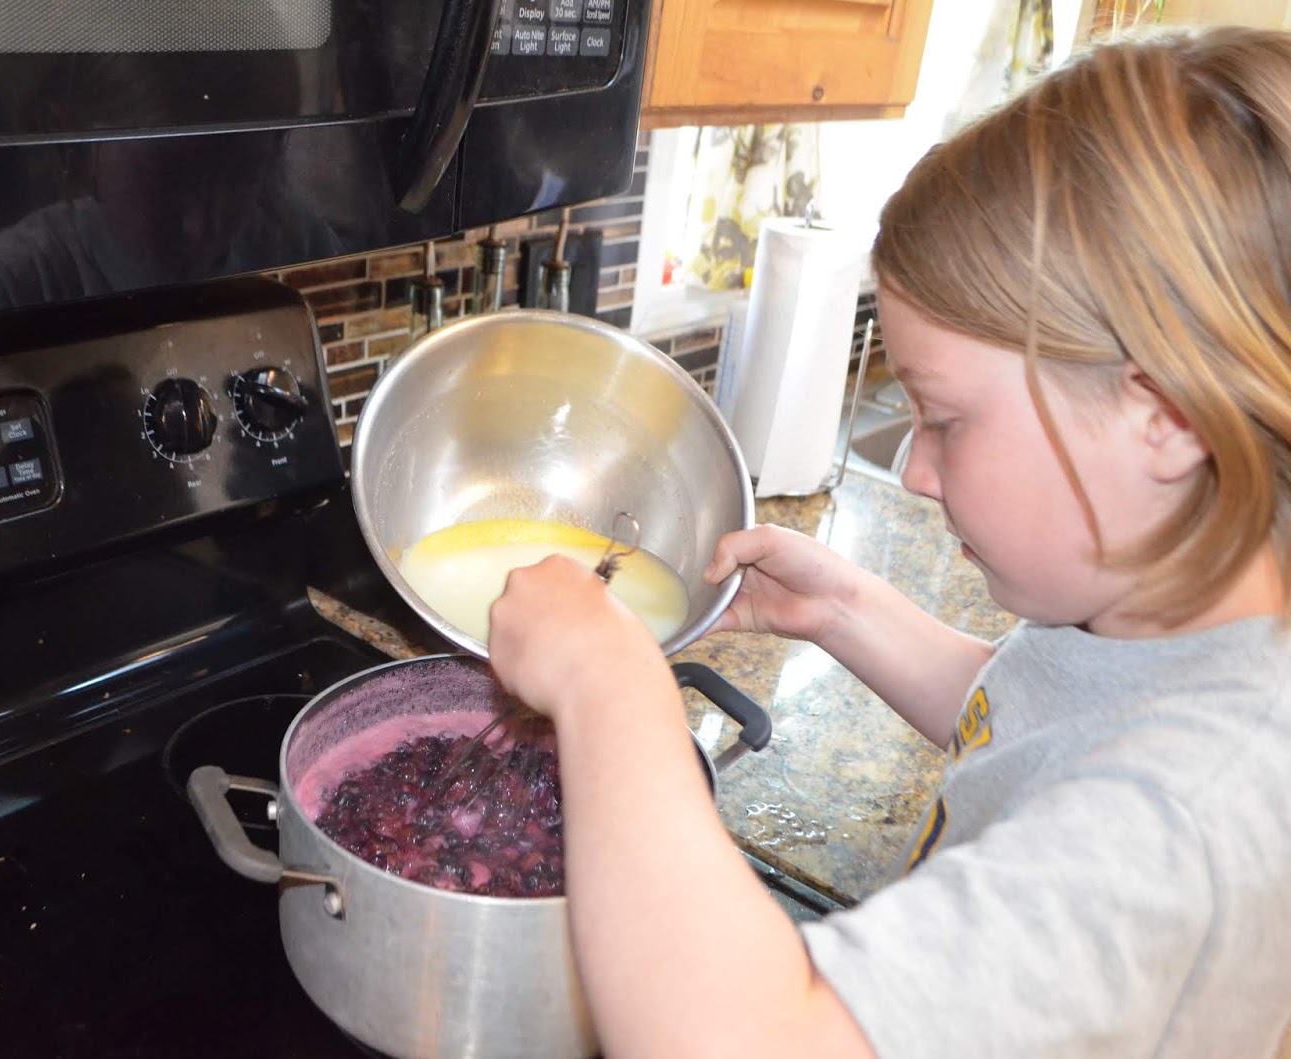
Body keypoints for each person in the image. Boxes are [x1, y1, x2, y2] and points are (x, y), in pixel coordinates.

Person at [486, 26, 1291, 1058]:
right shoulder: (1159, 623)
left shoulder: (1184, 819)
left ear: (1165, 418)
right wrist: (841, 611)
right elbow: (1031, 724)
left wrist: (609, 684)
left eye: (946, 419)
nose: (913, 468)